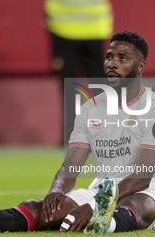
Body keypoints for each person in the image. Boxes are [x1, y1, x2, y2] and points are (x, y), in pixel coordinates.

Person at [0, 31, 155, 235]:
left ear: (141, 67)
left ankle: (105, 223)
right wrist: (56, 191)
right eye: (109, 56)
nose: (112, 64)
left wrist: (94, 207)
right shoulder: (90, 109)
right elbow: (71, 166)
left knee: (137, 206)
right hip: (101, 192)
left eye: (123, 58)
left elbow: (142, 178)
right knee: (47, 210)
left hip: (152, 194)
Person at [44, 0, 114, 145]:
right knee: (98, 88)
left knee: (77, 89)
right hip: (87, 27)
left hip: (67, 28)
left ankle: (76, 137)